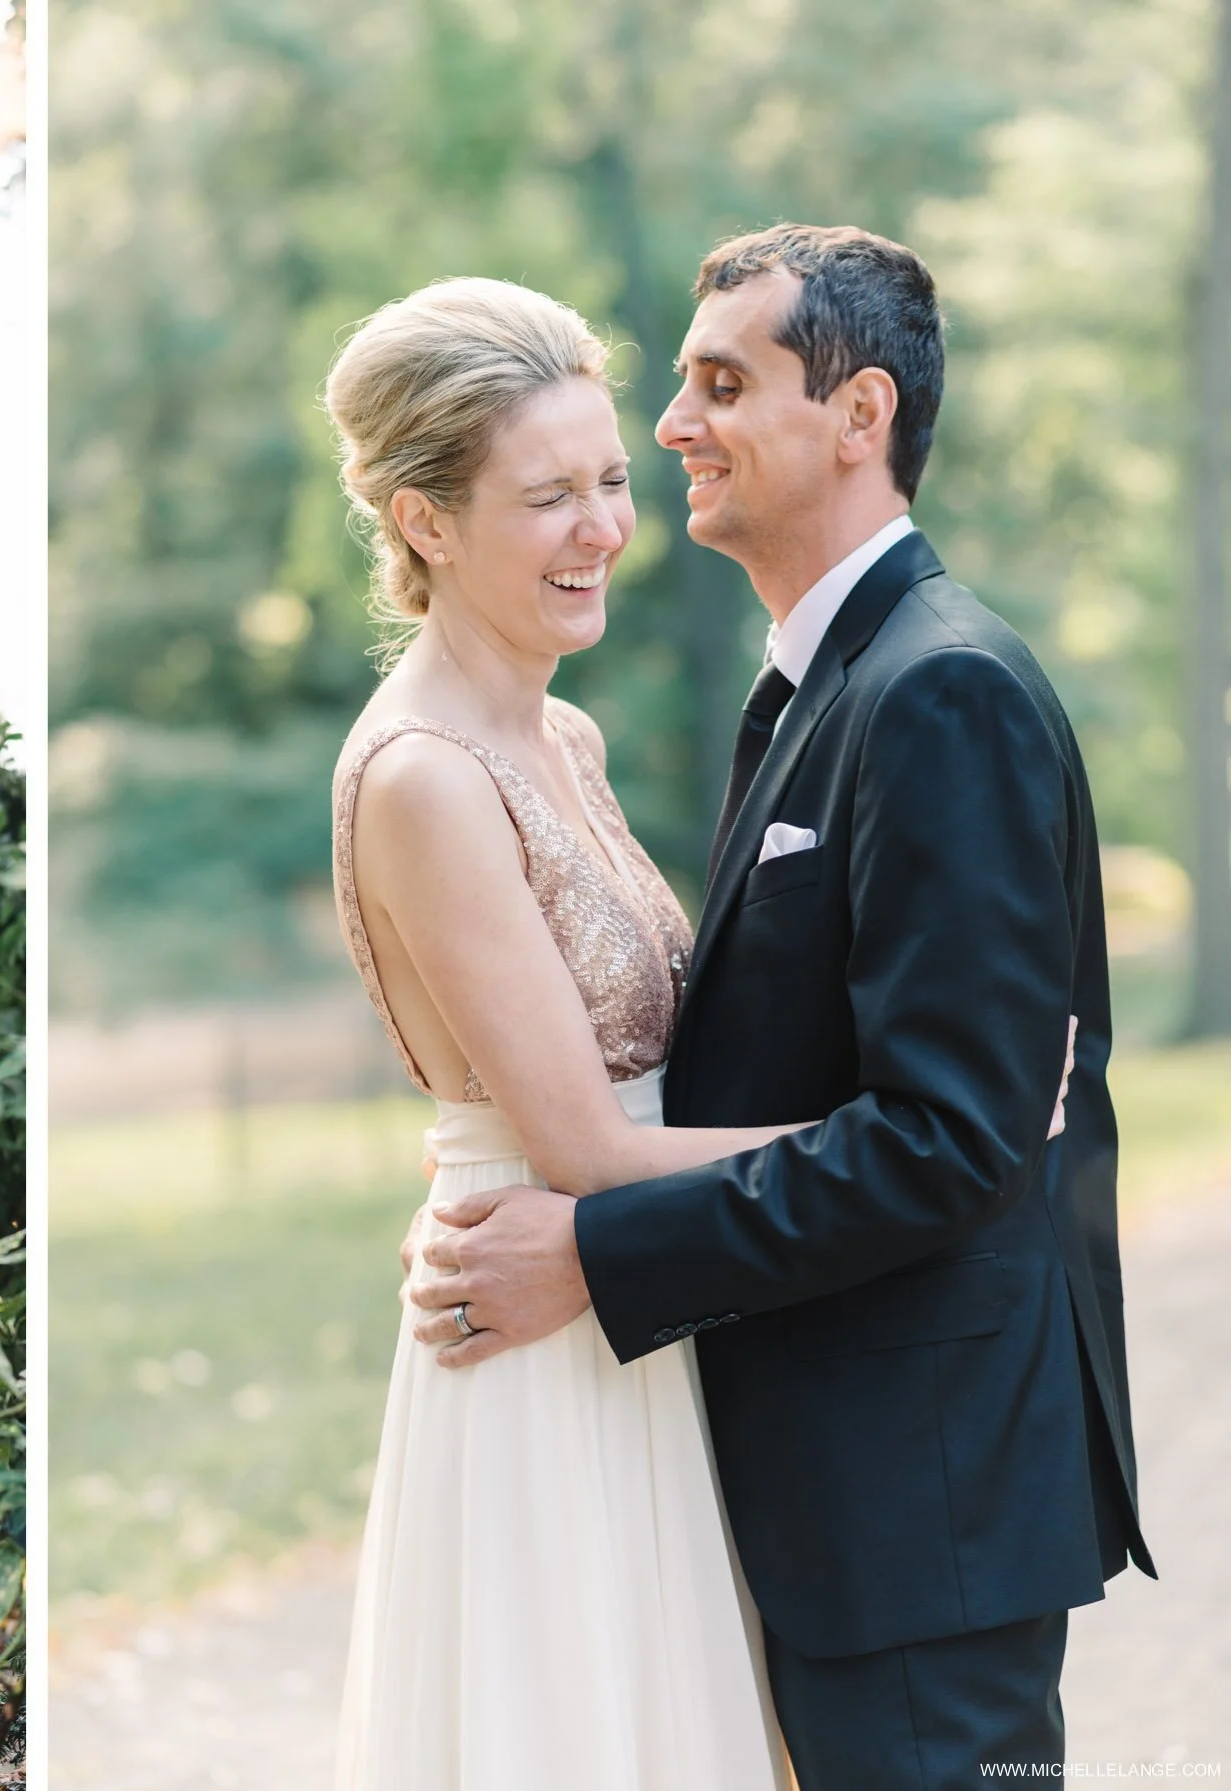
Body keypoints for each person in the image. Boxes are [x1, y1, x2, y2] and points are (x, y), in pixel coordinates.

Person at [410, 227, 1149, 1790]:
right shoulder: (821, 684)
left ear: (856, 415)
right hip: (834, 1489)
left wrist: (596, 1253)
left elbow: (952, 1145)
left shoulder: (940, 691)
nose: (671, 427)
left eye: (722, 383)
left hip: (918, 1507)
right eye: (680, 385)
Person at [327, 274, 803, 1790]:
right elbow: (586, 1142)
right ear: (423, 521)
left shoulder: (562, 735)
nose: (604, 526)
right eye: (548, 496)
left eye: (609, 480)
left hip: (630, 1309)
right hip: (539, 1339)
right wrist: (921, 1136)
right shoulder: (424, 777)